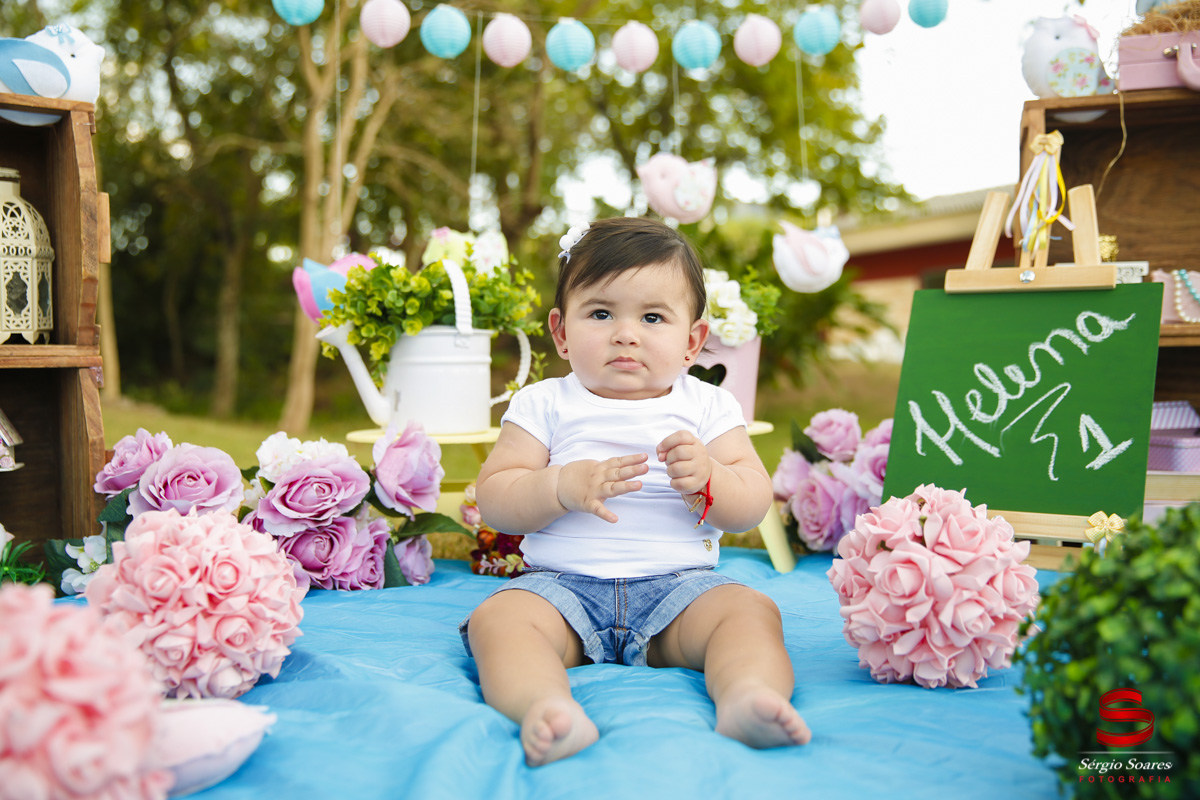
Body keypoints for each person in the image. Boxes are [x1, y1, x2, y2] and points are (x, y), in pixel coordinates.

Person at [461, 216, 811, 767]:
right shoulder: (544, 403)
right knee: (499, 621)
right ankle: (546, 707)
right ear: (560, 332)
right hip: (561, 591)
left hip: (680, 593)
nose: (626, 333)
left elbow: (752, 501)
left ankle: (746, 696)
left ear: (693, 340)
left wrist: (714, 480)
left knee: (747, 610)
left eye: (653, 317)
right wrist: (558, 484)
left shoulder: (707, 406)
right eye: (600, 313)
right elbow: (497, 497)